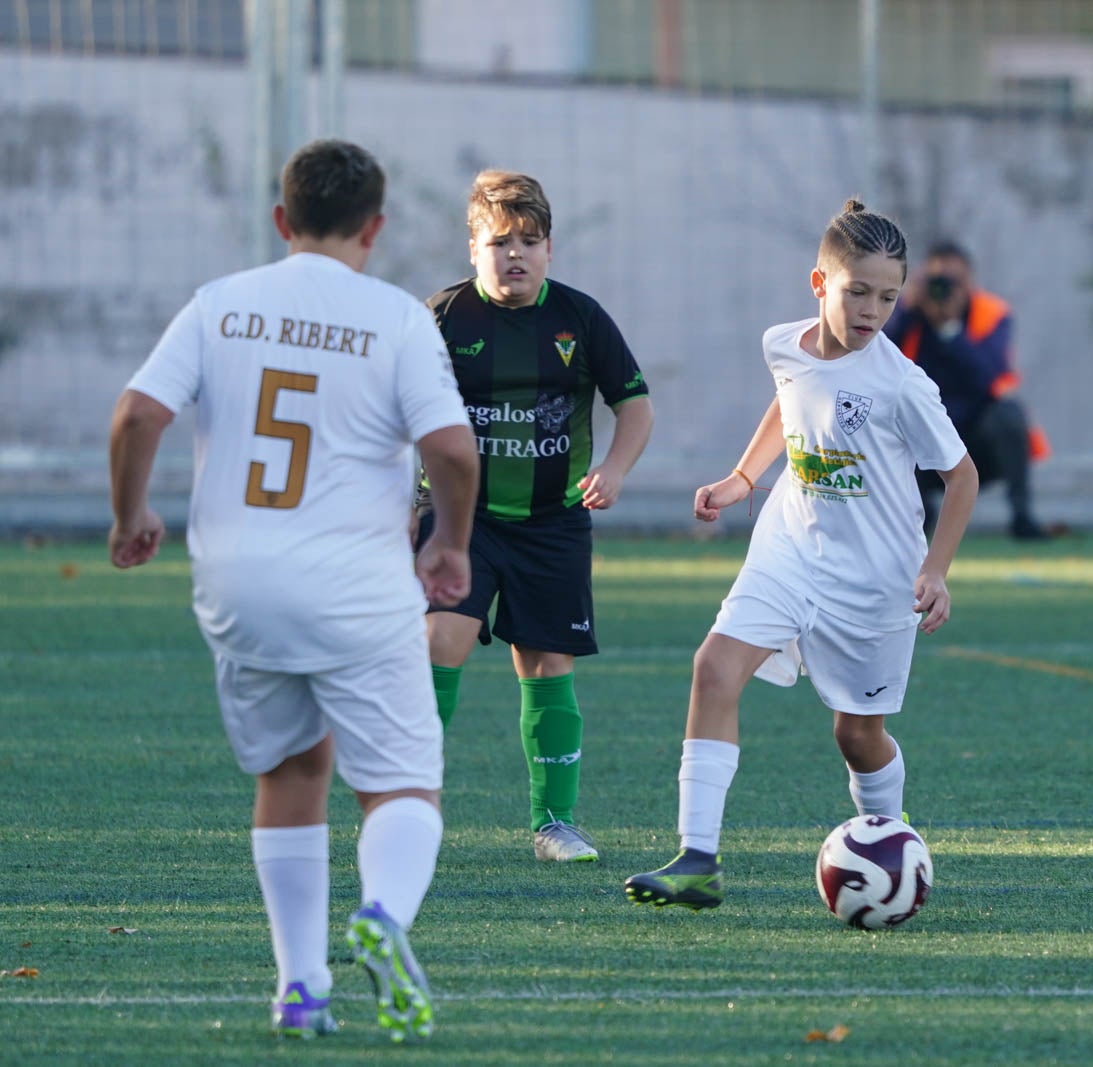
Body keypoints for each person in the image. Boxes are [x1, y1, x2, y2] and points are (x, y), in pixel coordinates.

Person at [107, 139, 478, 1042]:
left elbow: (137, 414)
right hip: (355, 585)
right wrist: (450, 546)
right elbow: (454, 450)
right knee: (401, 785)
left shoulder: (221, 304)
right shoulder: (395, 318)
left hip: (239, 585)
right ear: (375, 228)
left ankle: (300, 987)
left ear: (283, 220)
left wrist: (130, 516)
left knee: (291, 769)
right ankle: (384, 916)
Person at [623, 200, 978, 911]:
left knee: (857, 733)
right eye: (858, 292)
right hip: (789, 545)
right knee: (714, 666)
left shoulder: (902, 383)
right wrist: (741, 479)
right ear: (819, 284)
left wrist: (935, 568)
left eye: (887, 295)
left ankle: (890, 835)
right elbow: (788, 404)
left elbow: (961, 476)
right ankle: (697, 859)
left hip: (877, 579)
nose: (873, 308)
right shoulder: (783, 344)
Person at [415, 169, 654, 864]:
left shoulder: (580, 320)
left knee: (547, 663)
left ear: (550, 249)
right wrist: (403, 503)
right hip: (462, 519)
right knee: (439, 641)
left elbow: (634, 405)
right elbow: (399, 417)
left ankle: (555, 821)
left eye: (530, 240)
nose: (514, 253)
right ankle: (405, 800)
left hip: (552, 521)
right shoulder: (443, 319)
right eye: (499, 241)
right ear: (472, 248)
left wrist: (613, 469)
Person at [883, 239, 1051, 540]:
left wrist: (951, 329)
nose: (944, 290)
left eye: (953, 282)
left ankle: (1022, 517)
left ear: (969, 282)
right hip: (921, 437)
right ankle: (917, 511)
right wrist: (908, 309)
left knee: (1010, 413)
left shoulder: (991, 313)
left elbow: (991, 374)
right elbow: (876, 356)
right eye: (937, 281)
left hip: (976, 440)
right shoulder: (909, 314)